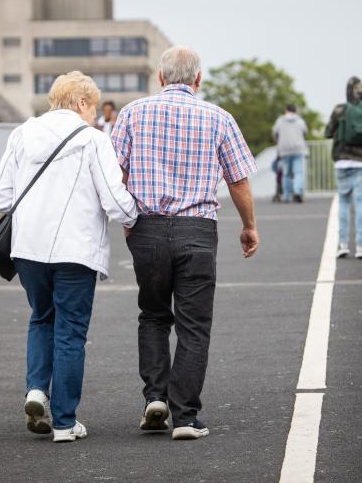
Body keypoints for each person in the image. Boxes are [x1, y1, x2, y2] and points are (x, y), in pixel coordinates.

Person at [111, 46, 259, 441]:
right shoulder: (219, 118)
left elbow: (114, 174)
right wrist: (249, 226)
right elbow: (239, 180)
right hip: (197, 229)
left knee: (154, 314)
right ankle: (186, 417)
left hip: (147, 229)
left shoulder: (132, 113)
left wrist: (129, 219)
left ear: (160, 77)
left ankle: (155, 397)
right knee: (194, 325)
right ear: (198, 79)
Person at [0, 71, 137, 443]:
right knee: (71, 332)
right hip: (76, 250)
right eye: (91, 106)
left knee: (41, 318)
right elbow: (115, 201)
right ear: (82, 103)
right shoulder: (93, 140)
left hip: (28, 250)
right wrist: (137, 216)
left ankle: (37, 391)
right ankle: (65, 423)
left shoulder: (22, 133)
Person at [325, 76, 362, 260]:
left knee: (343, 202)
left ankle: (343, 245)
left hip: (342, 161)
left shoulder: (339, 110)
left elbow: (327, 133)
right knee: (360, 203)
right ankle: (360, 247)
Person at [272, 105, 309, 203]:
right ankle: (297, 192)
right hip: (298, 149)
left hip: (284, 150)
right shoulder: (300, 121)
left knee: (286, 173)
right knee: (298, 173)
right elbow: (305, 133)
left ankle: (287, 196)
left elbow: (275, 133)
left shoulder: (280, 121)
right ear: (295, 111)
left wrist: (280, 142)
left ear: (286, 111)